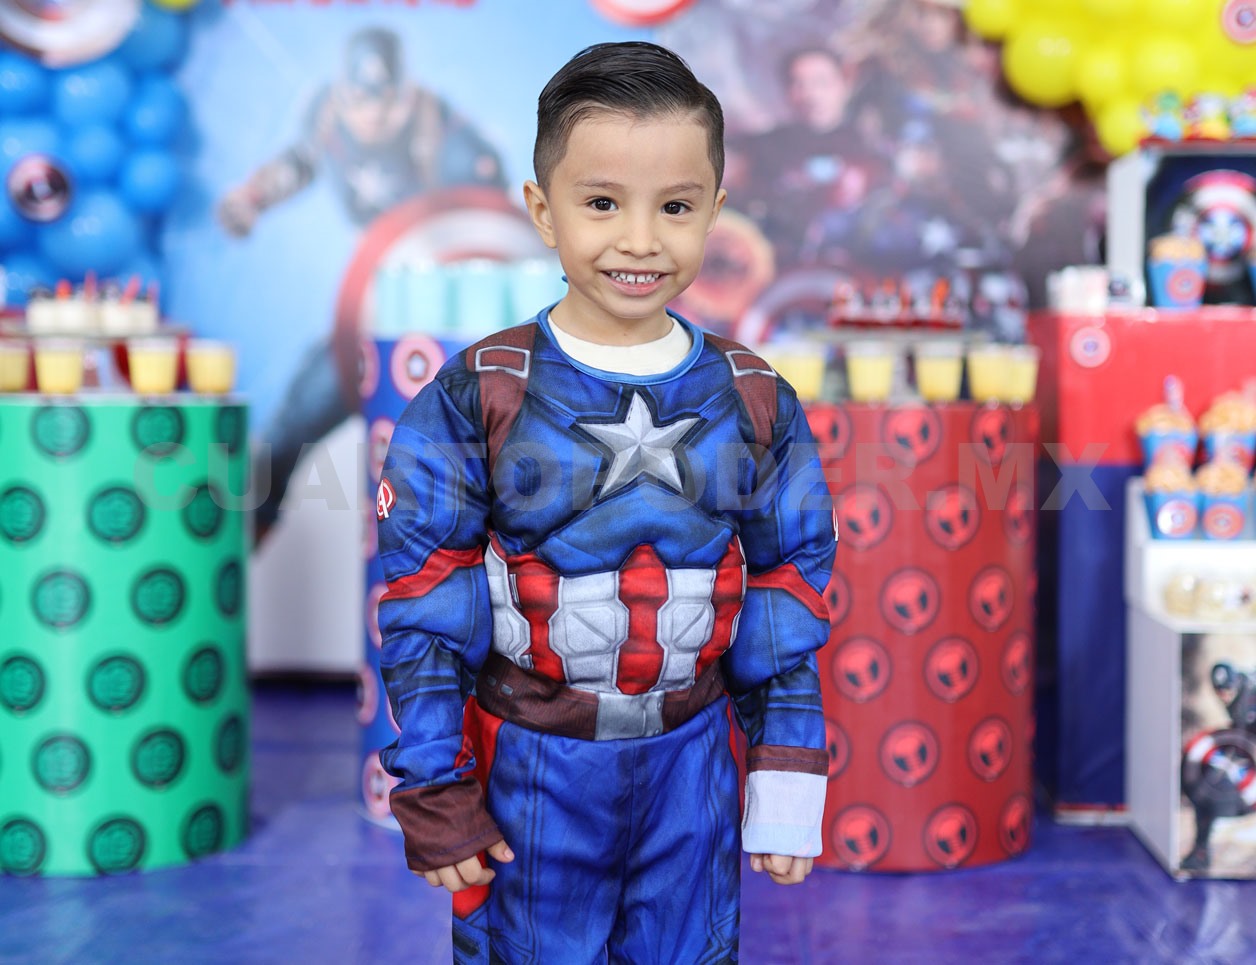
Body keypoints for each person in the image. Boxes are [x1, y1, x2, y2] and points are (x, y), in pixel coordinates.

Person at [375, 41, 837, 962]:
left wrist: (786, 767)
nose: (639, 239)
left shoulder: (753, 395)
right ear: (542, 210)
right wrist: (436, 787)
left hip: (691, 766)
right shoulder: (479, 393)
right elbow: (425, 601)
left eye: (675, 206)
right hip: (533, 769)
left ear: (715, 211)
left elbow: (788, 587)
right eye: (601, 204)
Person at [216, 27, 507, 542]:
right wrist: (253, 197)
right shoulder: (328, 114)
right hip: (370, 309)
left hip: (440, 319)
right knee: (293, 424)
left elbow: (490, 209)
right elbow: (300, 161)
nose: (369, 117)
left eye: (381, 104)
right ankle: (242, 546)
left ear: (403, 94)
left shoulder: (440, 128)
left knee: (451, 459)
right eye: (358, 103)